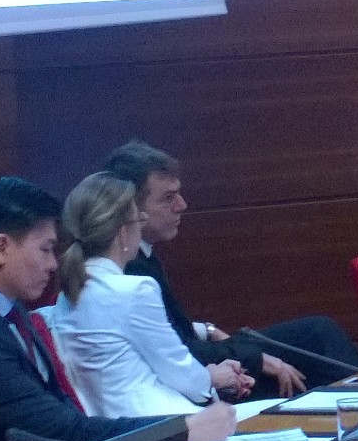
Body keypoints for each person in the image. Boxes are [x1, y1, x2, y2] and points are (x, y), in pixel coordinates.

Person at [0, 177, 236, 441]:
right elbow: (60, 431)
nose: (53, 264)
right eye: (45, 249)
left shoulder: (5, 308)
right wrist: (184, 429)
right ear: (1, 248)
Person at [101, 141, 358, 398]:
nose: (182, 205)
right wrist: (254, 358)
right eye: (168, 198)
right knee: (313, 356)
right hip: (196, 385)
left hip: (200, 355)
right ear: (131, 207)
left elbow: (167, 328)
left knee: (317, 332)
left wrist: (207, 329)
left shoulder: (141, 254)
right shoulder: (129, 268)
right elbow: (179, 355)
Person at [45, 173, 255, 416]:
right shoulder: (134, 290)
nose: (141, 227)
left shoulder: (69, 294)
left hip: (111, 424)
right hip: (162, 425)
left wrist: (208, 374)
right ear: (122, 233)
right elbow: (179, 373)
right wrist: (215, 376)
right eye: (139, 220)